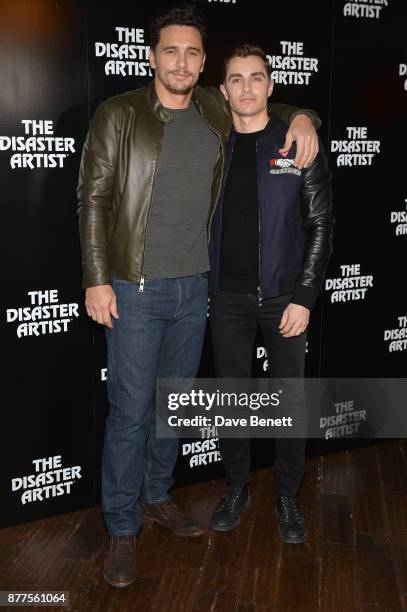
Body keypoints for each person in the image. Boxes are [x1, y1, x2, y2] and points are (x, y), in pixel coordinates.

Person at [77, 3, 320, 589]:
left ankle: (158, 497)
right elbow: (93, 198)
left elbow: (264, 107)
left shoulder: (213, 107)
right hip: (133, 288)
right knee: (130, 414)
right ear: (152, 56)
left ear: (202, 63)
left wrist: (307, 116)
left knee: (169, 408)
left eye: (192, 52)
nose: (181, 61)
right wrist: (95, 276)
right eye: (170, 51)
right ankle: (121, 527)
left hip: (194, 290)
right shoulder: (119, 113)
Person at [208, 44, 334, 543]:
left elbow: (321, 224)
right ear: (223, 90)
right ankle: (237, 487)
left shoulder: (296, 143)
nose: (246, 88)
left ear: (270, 85)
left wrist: (304, 295)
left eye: (256, 78)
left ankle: (287, 496)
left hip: (285, 298)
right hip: (225, 299)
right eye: (235, 79)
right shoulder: (211, 142)